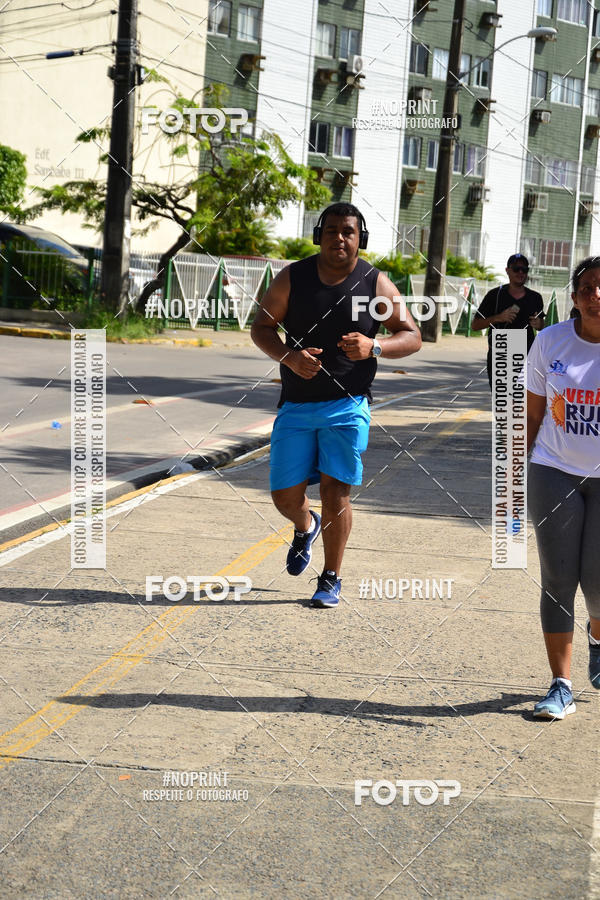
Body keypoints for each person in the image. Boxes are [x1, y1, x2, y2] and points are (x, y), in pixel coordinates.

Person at [250, 202, 421, 608]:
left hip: (348, 405)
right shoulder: (293, 277)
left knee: (335, 491)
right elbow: (261, 327)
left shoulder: (375, 284)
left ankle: (330, 577)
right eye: (331, 231)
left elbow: (411, 335)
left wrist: (375, 345)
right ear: (319, 235)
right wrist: (288, 357)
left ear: (361, 237)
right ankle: (303, 524)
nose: (340, 238)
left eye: (348, 231)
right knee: (284, 497)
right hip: (297, 404)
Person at [526, 255, 600, 719]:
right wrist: (514, 482)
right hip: (552, 470)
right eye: (588, 287)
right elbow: (531, 416)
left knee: (598, 584)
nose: (597, 295)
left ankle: (597, 633)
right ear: (574, 298)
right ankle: (560, 685)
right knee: (558, 579)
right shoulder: (550, 342)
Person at [471, 253, 545, 388]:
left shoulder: (535, 298)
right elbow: (475, 325)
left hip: (527, 355)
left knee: (522, 402)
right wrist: (498, 317)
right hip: (500, 354)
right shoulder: (495, 295)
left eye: (524, 269)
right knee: (503, 404)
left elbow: (541, 325)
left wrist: (539, 324)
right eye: (516, 269)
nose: (521, 272)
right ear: (508, 270)